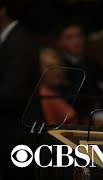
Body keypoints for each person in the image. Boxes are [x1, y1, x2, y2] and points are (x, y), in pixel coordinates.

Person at [0, 0, 40, 179]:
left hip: (15, 130)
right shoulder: (9, 38)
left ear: (2, 11)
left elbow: (13, 93)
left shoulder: (20, 43)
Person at [55, 21, 103, 124]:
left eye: (79, 35)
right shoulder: (59, 68)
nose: (76, 41)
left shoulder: (92, 63)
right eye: (69, 37)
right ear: (59, 42)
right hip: (79, 121)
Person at [39, 47, 77, 126]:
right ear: (39, 69)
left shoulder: (65, 91)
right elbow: (70, 116)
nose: (58, 71)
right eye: (51, 67)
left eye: (59, 66)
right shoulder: (45, 94)